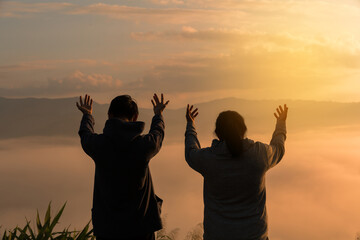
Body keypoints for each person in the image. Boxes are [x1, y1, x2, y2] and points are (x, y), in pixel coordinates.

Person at [184, 104, 288, 240]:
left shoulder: (209, 159)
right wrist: (281, 123)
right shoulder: (259, 154)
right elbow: (278, 148)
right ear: (243, 130)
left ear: (218, 133)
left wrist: (190, 125)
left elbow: (191, 151)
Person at [76, 93, 169, 240]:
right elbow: (158, 133)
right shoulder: (144, 146)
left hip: (108, 229)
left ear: (109, 115)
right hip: (141, 228)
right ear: (135, 116)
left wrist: (87, 115)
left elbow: (85, 135)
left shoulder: (100, 145)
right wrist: (158, 114)